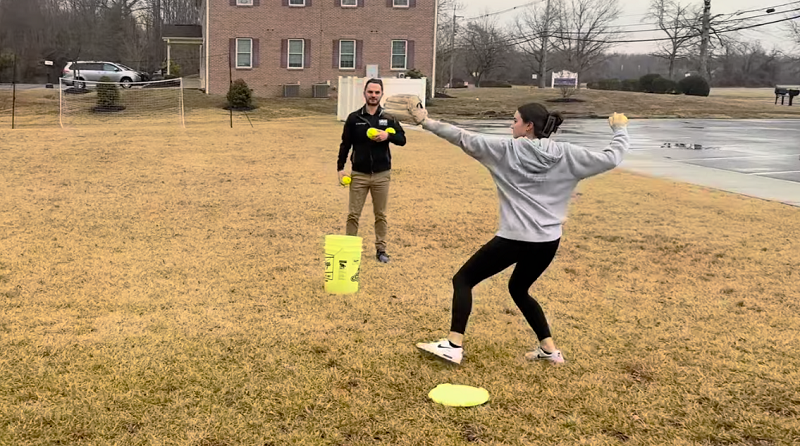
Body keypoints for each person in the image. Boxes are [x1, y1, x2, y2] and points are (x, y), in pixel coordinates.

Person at [410, 102, 631, 365]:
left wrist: (425, 121)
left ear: (528, 126)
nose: (510, 125)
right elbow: (611, 157)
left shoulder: (505, 150)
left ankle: (453, 345)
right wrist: (620, 129)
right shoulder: (568, 154)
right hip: (548, 241)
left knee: (464, 280)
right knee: (518, 288)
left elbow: (461, 136)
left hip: (515, 239)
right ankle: (549, 350)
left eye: (514, 120)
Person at [337, 78, 406, 263]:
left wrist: (387, 135)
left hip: (382, 175)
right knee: (353, 214)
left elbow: (402, 139)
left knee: (380, 214)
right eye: (370, 92)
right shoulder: (354, 118)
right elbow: (345, 144)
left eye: (377, 92)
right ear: (365, 93)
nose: (373, 95)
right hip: (358, 174)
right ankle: (350, 250)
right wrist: (340, 168)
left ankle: (381, 250)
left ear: (381, 94)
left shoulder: (388, 116)